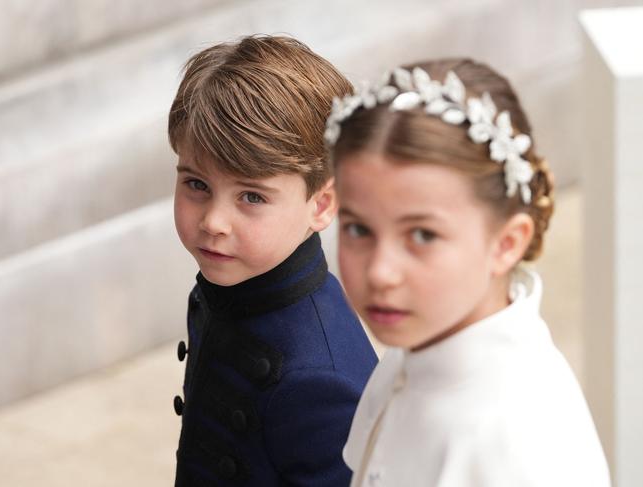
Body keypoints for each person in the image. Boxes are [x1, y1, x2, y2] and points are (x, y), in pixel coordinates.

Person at [326, 58, 611, 486]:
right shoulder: (416, 348)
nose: (381, 273)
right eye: (358, 229)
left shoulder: (522, 449)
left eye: (422, 235)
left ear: (506, 243)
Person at [168, 35, 378, 486]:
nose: (214, 222)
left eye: (251, 196)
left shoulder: (320, 382)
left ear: (321, 205)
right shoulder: (229, 288)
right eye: (197, 185)